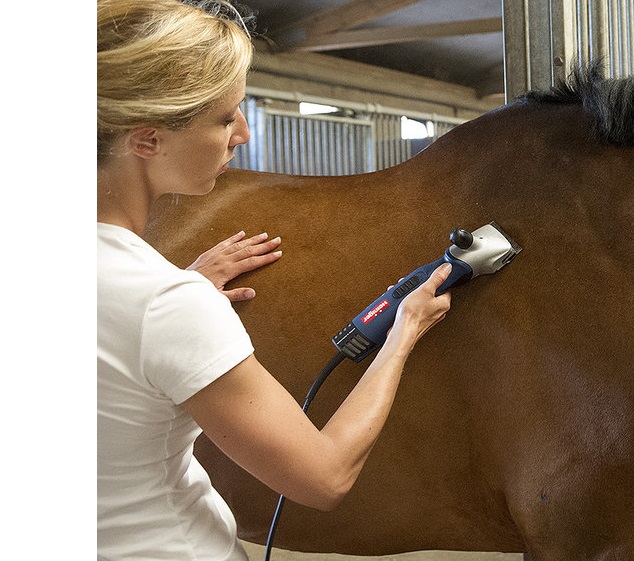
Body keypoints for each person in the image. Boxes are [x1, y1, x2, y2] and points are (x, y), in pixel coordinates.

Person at [97, 1, 452, 559]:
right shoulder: (165, 304)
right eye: (223, 117)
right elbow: (323, 477)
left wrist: (173, 296)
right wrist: (404, 328)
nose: (241, 132)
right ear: (146, 140)